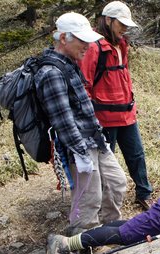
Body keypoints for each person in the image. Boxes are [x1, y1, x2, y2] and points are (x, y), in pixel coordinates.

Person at [35, 12, 127, 236]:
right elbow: (63, 120)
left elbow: (84, 107)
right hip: (78, 147)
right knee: (89, 199)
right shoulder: (51, 73)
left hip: (94, 139)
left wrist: (99, 137)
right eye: (81, 40)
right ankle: (83, 243)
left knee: (117, 183)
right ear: (64, 38)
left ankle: (109, 231)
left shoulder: (70, 64)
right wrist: (81, 154)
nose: (87, 45)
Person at [77, 1, 153, 210]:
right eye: (121, 23)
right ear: (108, 20)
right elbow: (85, 84)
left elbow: (123, 76)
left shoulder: (122, 44)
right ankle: (103, 202)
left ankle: (144, 193)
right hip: (104, 118)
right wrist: (89, 119)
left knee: (136, 155)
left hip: (127, 113)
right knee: (104, 162)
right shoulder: (93, 47)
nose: (125, 28)